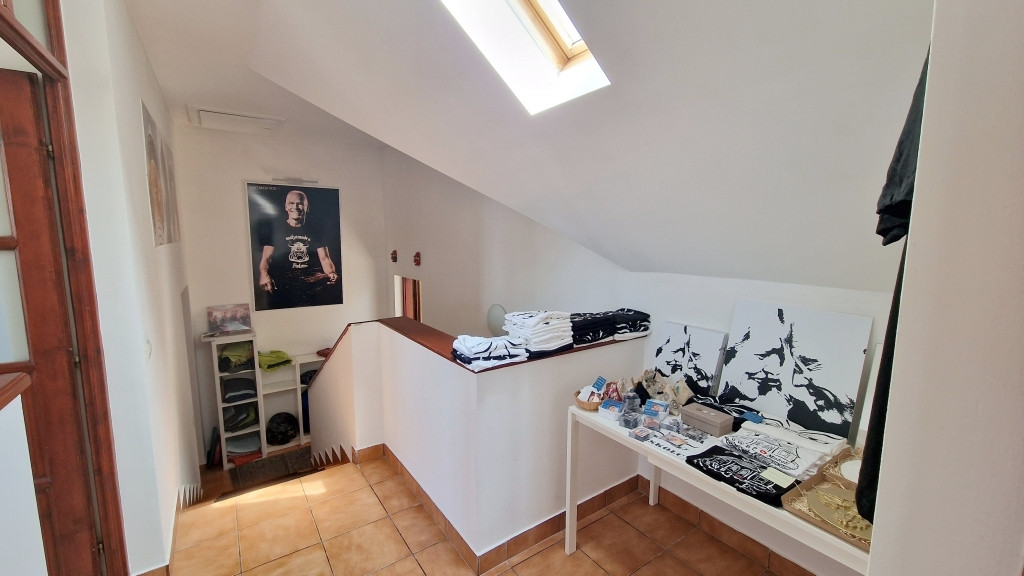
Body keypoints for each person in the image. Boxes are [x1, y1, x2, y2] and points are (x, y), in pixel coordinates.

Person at [257, 189, 341, 309]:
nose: (295, 207)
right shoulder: (276, 229)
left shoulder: (316, 230)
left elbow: (324, 258)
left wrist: (331, 273)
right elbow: (266, 258)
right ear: (286, 206)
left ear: (307, 207)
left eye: (300, 203)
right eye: (291, 203)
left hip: (310, 286)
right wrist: (263, 274)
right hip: (282, 286)